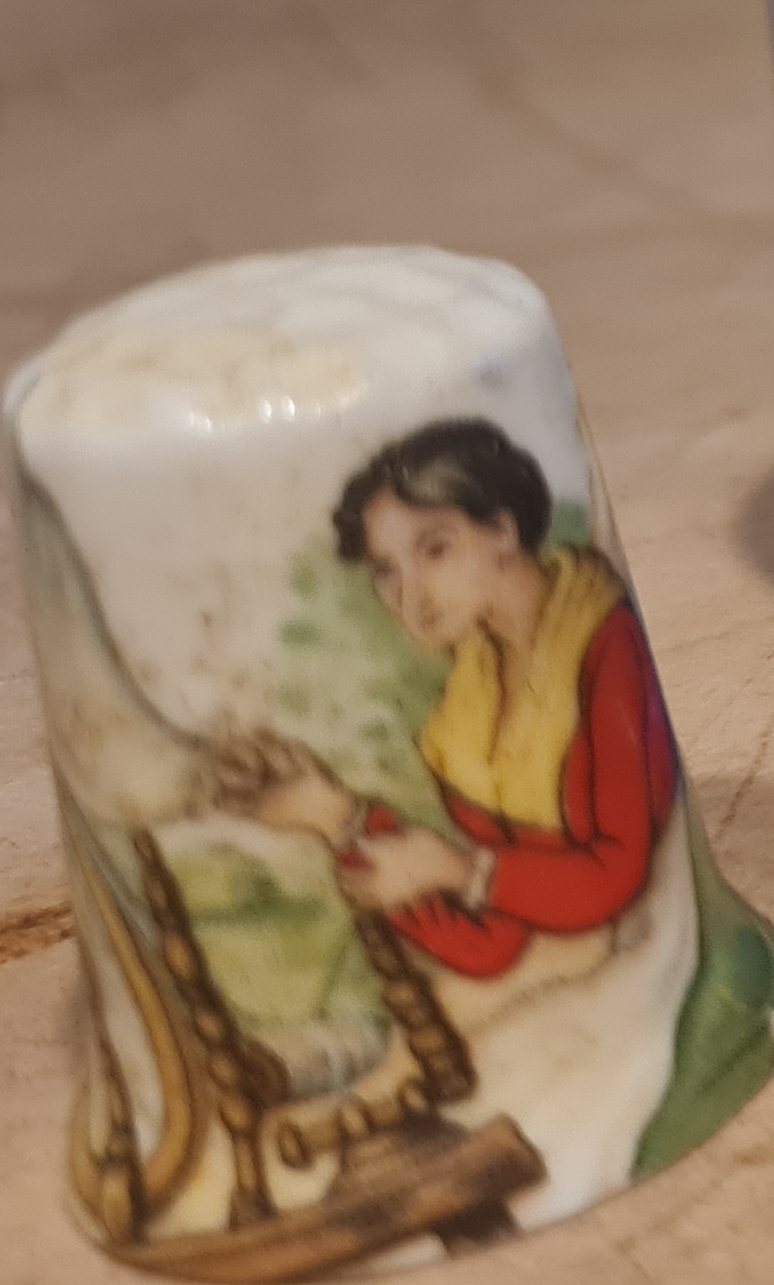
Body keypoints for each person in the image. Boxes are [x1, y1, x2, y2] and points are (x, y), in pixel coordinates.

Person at [213, 419, 679, 979]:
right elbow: (488, 944)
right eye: (386, 572)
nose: (411, 596)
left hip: (652, 957)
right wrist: (338, 817)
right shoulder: (466, 713)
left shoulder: (604, 641)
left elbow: (617, 878)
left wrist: (459, 870)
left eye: (435, 549)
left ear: (502, 529)